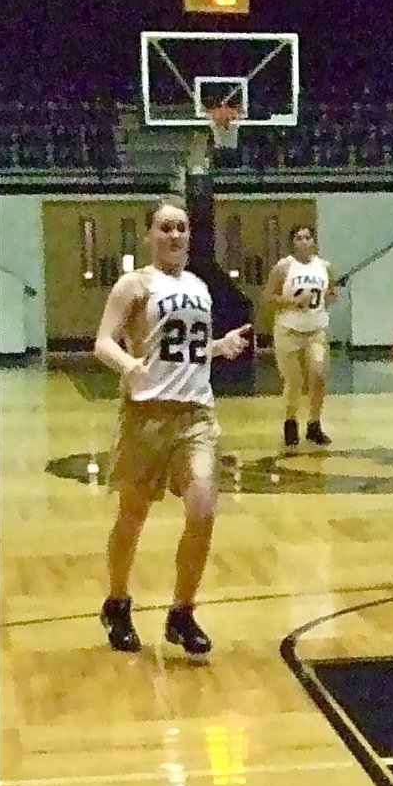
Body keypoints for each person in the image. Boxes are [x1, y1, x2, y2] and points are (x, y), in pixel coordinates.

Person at [94, 193, 251, 654]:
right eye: (165, 227)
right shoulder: (134, 285)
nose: (175, 234)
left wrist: (219, 347)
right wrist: (127, 364)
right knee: (133, 514)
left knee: (203, 510)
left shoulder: (200, 286)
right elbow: (103, 341)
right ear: (149, 235)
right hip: (146, 413)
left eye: (181, 227)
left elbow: (186, 348)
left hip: (197, 413)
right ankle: (117, 601)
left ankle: (182, 611)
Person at [262, 224, 337, 448]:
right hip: (289, 331)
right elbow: (267, 297)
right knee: (294, 381)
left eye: (308, 237)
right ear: (293, 242)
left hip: (317, 330)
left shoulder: (324, 267)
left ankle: (314, 424)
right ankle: (290, 421)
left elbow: (331, 293)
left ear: (313, 241)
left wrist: (331, 296)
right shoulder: (284, 267)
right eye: (299, 238)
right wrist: (293, 301)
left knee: (319, 375)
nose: (304, 242)